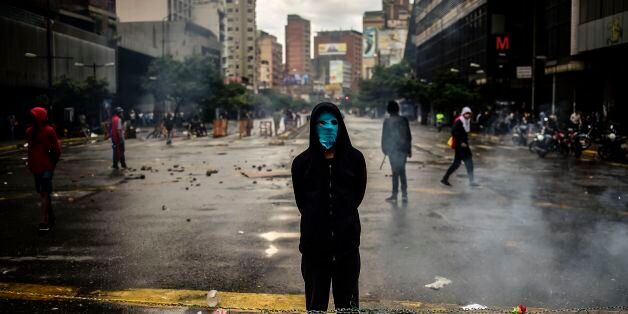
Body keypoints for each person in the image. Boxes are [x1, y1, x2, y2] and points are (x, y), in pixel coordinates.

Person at [291, 102, 367, 312]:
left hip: (347, 250)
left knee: (348, 308)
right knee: (316, 308)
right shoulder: (301, 163)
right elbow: (302, 203)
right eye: (322, 122)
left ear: (341, 126)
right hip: (314, 252)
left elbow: (357, 197)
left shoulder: (355, 159)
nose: (328, 127)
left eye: (334, 122)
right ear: (313, 126)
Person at [26, 107, 61, 232]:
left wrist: (30, 164)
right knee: (45, 193)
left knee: (44, 193)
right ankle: (47, 218)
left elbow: (29, 150)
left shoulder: (29, 131)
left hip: (36, 167)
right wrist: (54, 160)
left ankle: (45, 219)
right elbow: (57, 149)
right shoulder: (49, 130)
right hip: (46, 167)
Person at [382, 100, 412, 203]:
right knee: (402, 171)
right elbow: (408, 136)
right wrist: (409, 150)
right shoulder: (404, 119)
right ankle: (404, 195)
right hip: (403, 149)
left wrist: (385, 149)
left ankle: (395, 195)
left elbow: (384, 137)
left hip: (392, 150)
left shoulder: (387, 121)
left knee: (395, 172)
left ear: (389, 110)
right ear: (398, 109)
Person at [441, 107, 477, 187]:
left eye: (469, 114)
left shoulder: (466, 121)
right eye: (466, 113)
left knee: (457, 164)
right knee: (468, 162)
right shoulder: (459, 121)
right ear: (463, 113)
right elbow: (454, 131)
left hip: (463, 145)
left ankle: (445, 178)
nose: (468, 115)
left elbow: (465, 131)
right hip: (461, 146)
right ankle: (471, 181)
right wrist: (461, 142)